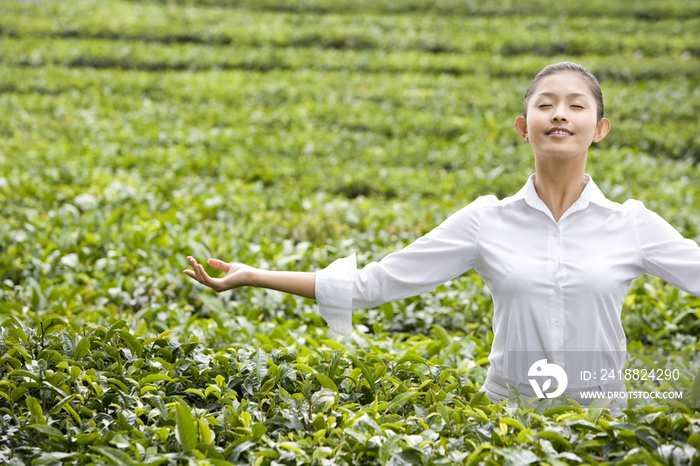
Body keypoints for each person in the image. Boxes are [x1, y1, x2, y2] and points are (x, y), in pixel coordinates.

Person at [183, 62, 700, 414]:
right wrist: (253, 277)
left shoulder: (631, 224)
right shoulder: (485, 221)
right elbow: (374, 285)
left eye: (575, 106)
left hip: (600, 419)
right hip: (508, 423)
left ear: (600, 128)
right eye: (546, 105)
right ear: (524, 127)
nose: (559, 114)